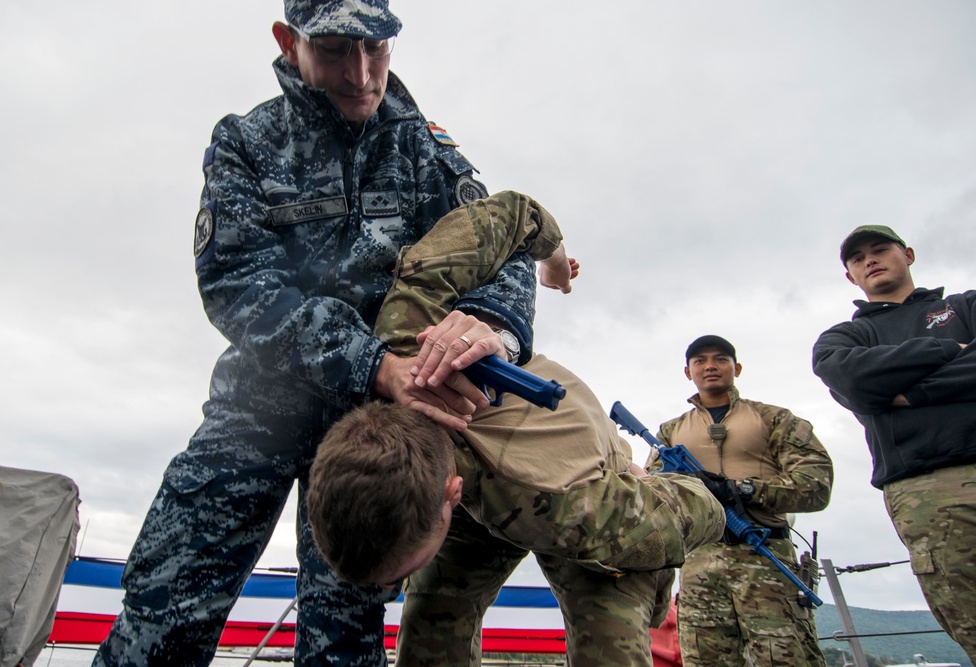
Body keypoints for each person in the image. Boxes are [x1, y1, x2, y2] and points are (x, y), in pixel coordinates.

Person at [93, 2, 541, 665]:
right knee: (166, 607)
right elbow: (239, 283)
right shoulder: (247, 140)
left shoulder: (424, 146)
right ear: (287, 41)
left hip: (376, 426)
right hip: (261, 407)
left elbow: (504, 240)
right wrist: (370, 362)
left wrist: (491, 325)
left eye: (377, 50)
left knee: (346, 633)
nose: (361, 74)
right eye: (335, 50)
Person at [307, 190, 726, 666]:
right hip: (484, 496)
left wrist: (555, 263)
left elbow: (703, 509)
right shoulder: (392, 355)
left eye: (392, 579)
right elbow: (512, 216)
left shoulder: (567, 507)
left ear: (450, 493)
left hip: (585, 488)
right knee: (429, 639)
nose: (387, 593)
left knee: (610, 652)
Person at [813, 225, 976, 659]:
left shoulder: (965, 306)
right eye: (857, 257)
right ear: (850, 276)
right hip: (929, 492)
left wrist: (912, 393)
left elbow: (875, 387)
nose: (870, 259)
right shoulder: (844, 340)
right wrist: (951, 351)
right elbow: (852, 380)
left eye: (880, 249)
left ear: (907, 254)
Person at [648, 335, 832, 667]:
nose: (710, 367)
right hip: (699, 564)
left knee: (785, 656)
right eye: (700, 361)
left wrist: (742, 490)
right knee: (703, 658)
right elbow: (652, 495)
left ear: (737, 368)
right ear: (688, 372)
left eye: (720, 359)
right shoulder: (670, 432)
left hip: (764, 556)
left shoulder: (776, 420)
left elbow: (816, 486)